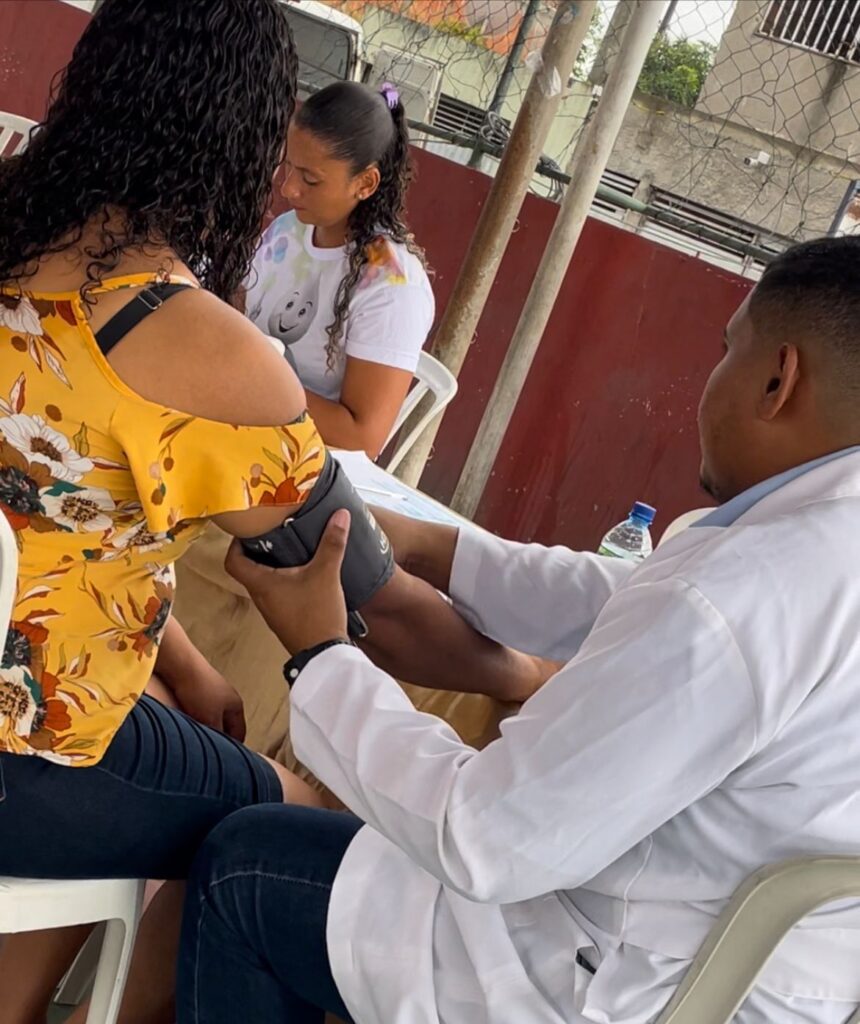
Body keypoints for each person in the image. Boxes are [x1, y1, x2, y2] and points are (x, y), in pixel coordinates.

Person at [0, 2, 544, 1022]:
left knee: (163, 733)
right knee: (290, 828)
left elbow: (54, 526)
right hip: (29, 743)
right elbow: (371, 596)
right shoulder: (195, 342)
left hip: (42, 688)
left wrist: (180, 657)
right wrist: (527, 677)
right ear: (239, 142)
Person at [178, 237, 860, 1024]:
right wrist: (429, 545)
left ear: (778, 380)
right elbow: (628, 596)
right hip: (779, 979)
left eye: (727, 350)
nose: (714, 376)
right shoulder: (813, 550)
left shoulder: (747, 592)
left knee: (246, 868)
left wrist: (322, 656)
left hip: (633, 986)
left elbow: (486, 839)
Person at [245, 80, 433, 459]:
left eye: (310, 179)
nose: (289, 189)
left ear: (365, 183)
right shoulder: (288, 230)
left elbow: (362, 437)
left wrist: (252, 381)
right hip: (239, 423)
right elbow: (239, 309)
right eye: (288, 167)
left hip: (298, 460)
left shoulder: (392, 283)